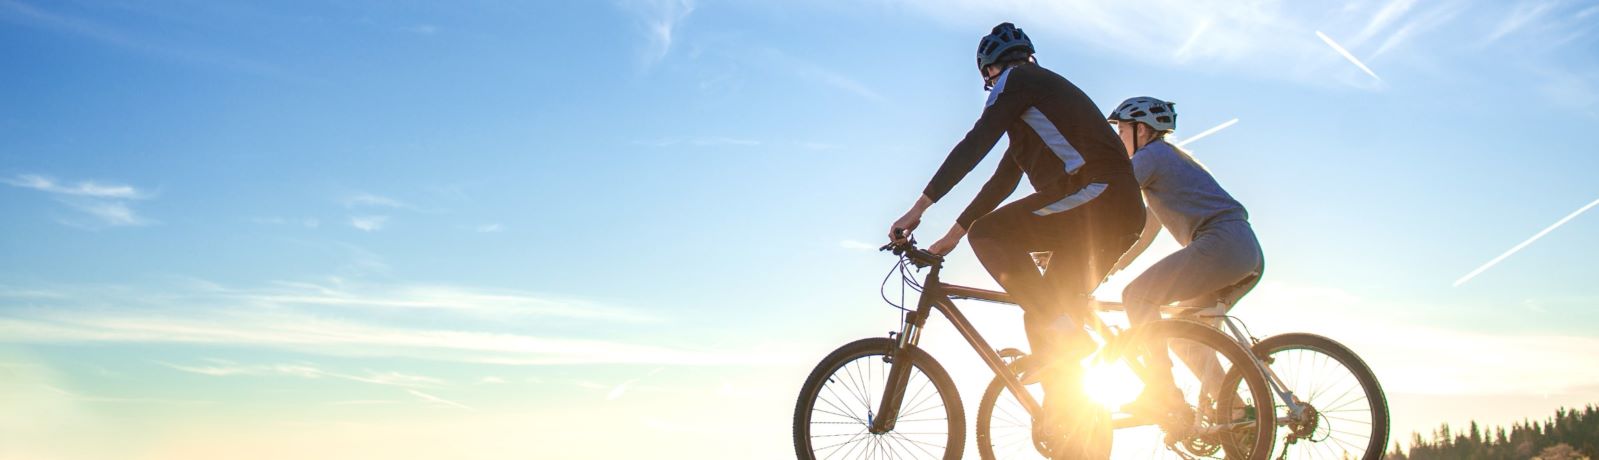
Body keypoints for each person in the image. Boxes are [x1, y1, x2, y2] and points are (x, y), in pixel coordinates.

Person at [887, 23, 1144, 456]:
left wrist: (918, 211)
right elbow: (1003, 179)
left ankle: (1071, 339)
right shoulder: (1036, 103)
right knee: (1040, 314)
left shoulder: (1017, 82)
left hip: (1099, 196)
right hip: (1111, 210)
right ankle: (1075, 434)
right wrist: (949, 238)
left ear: (989, 72)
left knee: (994, 238)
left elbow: (975, 144)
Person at [1104, 97, 1266, 422]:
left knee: (1137, 296)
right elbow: (1144, 232)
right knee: (1185, 339)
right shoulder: (1167, 163)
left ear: (1142, 130)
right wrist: (1108, 268)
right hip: (1243, 250)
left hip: (1220, 243)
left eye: (1121, 130)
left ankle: (1160, 390)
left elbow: (1110, 195)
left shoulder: (1151, 156)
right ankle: (1236, 416)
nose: (1118, 139)